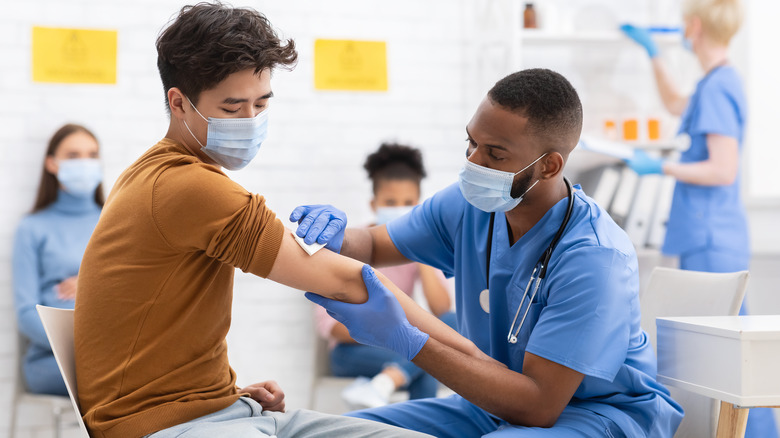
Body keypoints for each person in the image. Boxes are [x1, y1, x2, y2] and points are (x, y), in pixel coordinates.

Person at [72, 3, 486, 438]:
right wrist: (479, 367)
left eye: (261, 103)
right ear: (179, 103)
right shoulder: (188, 187)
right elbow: (347, 281)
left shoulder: (158, 175)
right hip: (159, 428)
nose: (251, 122)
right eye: (233, 108)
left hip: (220, 410)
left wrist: (223, 394)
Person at [296, 68, 684, 437]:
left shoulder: (595, 258)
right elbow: (375, 245)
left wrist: (408, 341)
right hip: (494, 407)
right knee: (345, 432)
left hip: (596, 416)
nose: (472, 163)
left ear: (549, 166)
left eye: (495, 155)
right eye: (471, 142)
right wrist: (338, 236)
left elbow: (539, 407)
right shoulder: (468, 207)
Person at [622, 2, 778, 435]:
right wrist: (652, 52)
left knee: (726, 357)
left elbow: (722, 169)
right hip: (705, 233)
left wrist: (662, 167)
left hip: (712, 236)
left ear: (693, 26)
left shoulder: (718, 87)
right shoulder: (715, 82)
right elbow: (675, 102)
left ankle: (756, 433)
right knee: (724, 354)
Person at [316, 143, 456, 410]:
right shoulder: (346, 245)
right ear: (373, 204)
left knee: (452, 325)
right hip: (351, 353)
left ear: (419, 206)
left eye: (408, 204)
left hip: (398, 345)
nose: (399, 209)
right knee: (426, 357)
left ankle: (384, 384)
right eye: (391, 203)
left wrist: (417, 250)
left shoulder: (417, 248)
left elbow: (442, 311)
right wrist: (391, 332)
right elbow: (330, 328)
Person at [12, 123, 104, 396]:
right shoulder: (33, 228)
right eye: (73, 156)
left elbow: (139, 291)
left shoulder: (116, 221)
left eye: (92, 154)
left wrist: (90, 283)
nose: (85, 163)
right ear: (52, 164)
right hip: (51, 360)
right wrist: (83, 346)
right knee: (118, 380)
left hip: (112, 352)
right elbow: (26, 313)